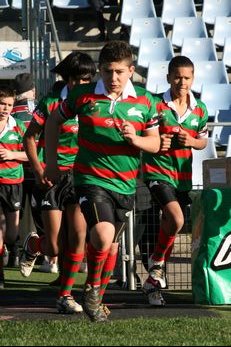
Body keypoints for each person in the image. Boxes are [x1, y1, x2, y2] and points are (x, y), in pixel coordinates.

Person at [44, 40, 160, 322]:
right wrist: (51, 162)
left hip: (126, 184)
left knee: (110, 244)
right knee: (103, 234)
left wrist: (136, 139)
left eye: (119, 71)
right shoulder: (82, 96)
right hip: (90, 178)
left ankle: (96, 293)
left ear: (130, 70)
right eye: (107, 71)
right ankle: (92, 291)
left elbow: (155, 144)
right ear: (99, 70)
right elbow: (52, 123)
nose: (113, 78)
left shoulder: (146, 101)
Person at [19, 51, 96, 314]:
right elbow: (29, 138)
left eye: (88, 79)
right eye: (79, 79)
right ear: (68, 79)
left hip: (81, 177)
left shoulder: (92, 102)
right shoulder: (51, 102)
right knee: (53, 246)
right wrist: (39, 170)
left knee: (78, 237)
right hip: (53, 177)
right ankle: (33, 244)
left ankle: (65, 294)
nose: (83, 85)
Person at [142, 55, 209, 306]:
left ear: (193, 79)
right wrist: (160, 143)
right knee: (177, 219)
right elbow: (144, 136)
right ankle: (157, 262)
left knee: (169, 224)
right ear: (168, 77)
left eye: (187, 77)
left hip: (183, 176)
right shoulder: (155, 105)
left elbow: (202, 141)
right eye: (178, 77)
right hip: (157, 172)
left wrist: (191, 142)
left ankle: (152, 280)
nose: (182, 82)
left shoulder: (199, 108)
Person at [9, 73, 44, 268]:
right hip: (40, 168)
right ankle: (48, 258)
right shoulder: (42, 109)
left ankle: (14, 254)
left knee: (15, 214)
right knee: (43, 213)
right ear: (33, 90)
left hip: (16, 171)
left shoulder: (9, 111)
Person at [0, 85, 28, 288]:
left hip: (13, 183)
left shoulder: (19, 127)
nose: (5, 108)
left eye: (9, 104)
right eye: (2, 104)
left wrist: (12, 155)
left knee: (10, 232)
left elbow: (33, 155)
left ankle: (15, 247)